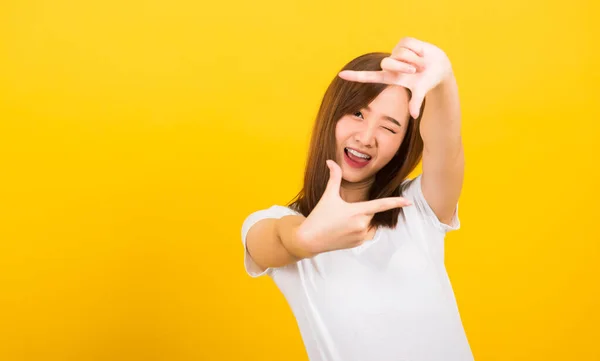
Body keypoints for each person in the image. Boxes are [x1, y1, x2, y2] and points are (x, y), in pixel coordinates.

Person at [240, 36, 474, 361]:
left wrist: (443, 80)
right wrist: (305, 239)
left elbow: (447, 145)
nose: (366, 138)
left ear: (404, 144)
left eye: (389, 129)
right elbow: (274, 240)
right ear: (331, 115)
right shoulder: (275, 221)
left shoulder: (419, 207)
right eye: (357, 114)